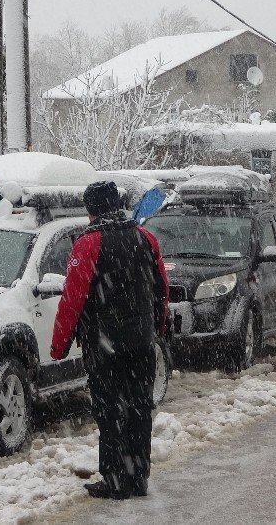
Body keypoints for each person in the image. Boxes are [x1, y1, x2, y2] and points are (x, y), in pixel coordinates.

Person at [50, 180, 169, 500]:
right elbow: (161, 288)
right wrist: (155, 327)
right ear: (116, 204)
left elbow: (72, 300)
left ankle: (115, 480)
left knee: (110, 410)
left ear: (91, 210)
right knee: (139, 408)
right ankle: (138, 477)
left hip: (105, 344)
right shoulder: (145, 237)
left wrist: (59, 346)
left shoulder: (88, 244)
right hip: (141, 341)